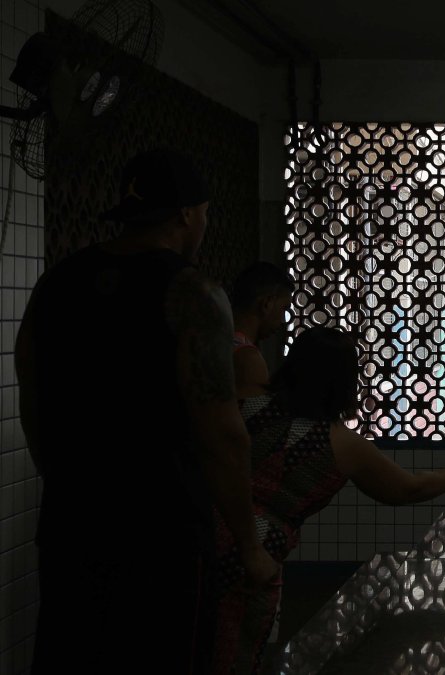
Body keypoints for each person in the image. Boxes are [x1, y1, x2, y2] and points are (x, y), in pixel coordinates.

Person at [15, 149, 276, 674]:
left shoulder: (57, 283)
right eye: (204, 212)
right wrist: (249, 544)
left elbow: (32, 397)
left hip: (72, 528)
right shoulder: (193, 293)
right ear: (185, 214)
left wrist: (70, 484)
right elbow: (223, 434)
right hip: (164, 538)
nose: (204, 223)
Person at [213, 326, 445, 674]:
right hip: (254, 554)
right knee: (234, 655)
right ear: (344, 380)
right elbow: (407, 489)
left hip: (202, 528)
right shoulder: (341, 444)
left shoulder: (244, 403)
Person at [230, 261, 294, 391]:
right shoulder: (247, 359)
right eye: (284, 308)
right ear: (267, 303)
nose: (283, 320)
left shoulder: (214, 340)